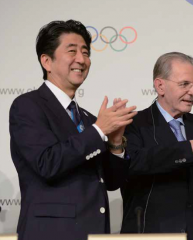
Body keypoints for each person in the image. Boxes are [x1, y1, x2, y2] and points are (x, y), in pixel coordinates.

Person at [9, 20, 136, 240]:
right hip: (51, 234)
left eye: (85, 52)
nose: (82, 59)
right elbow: (47, 163)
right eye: (72, 51)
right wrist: (99, 130)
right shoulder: (28, 106)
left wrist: (115, 142)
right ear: (47, 61)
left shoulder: (88, 118)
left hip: (93, 232)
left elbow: (112, 182)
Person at [120, 52, 193, 240]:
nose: (192, 91)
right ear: (160, 86)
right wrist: (189, 148)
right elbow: (132, 164)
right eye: (184, 84)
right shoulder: (133, 124)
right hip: (150, 234)